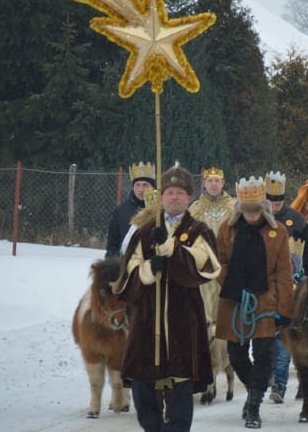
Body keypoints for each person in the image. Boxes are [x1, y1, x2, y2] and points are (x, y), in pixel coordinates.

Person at [112, 165, 220, 432]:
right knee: (142, 380)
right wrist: (150, 270)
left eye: (180, 193)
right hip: (148, 319)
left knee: (181, 381)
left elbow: (206, 267)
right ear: (161, 198)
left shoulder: (198, 230)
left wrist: (174, 251)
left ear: (189, 198)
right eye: (169, 192)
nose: (174, 198)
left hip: (184, 318)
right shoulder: (145, 231)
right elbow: (127, 274)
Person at [215, 176, 293, 428]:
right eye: (246, 212)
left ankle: (254, 408)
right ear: (240, 209)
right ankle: (254, 389)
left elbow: (283, 272)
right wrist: (233, 284)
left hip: (265, 300)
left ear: (263, 208)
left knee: (263, 355)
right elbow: (219, 262)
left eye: (255, 212)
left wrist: (284, 309)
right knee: (236, 355)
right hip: (234, 300)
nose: (251, 217)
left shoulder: (277, 232)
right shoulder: (227, 230)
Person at [264, 171, 308, 404]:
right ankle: (277, 379)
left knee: (295, 338)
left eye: (278, 203)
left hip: (297, 287)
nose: (274, 208)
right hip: (269, 289)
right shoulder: (258, 220)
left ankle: (294, 382)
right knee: (273, 336)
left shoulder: (296, 220)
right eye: (270, 203)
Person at [188, 166, 237, 324]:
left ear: (223, 183)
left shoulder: (234, 207)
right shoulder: (195, 208)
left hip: (228, 264)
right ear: (204, 183)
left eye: (217, 181)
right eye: (210, 181)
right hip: (205, 265)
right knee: (206, 308)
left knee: (226, 309)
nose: (214, 184)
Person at [106, 161, 156, 258]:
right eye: (137, 185)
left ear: (152, 186)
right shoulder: (121, 212)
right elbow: (112, 244)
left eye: (145, 184)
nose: (141, 189)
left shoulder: (161, 210)